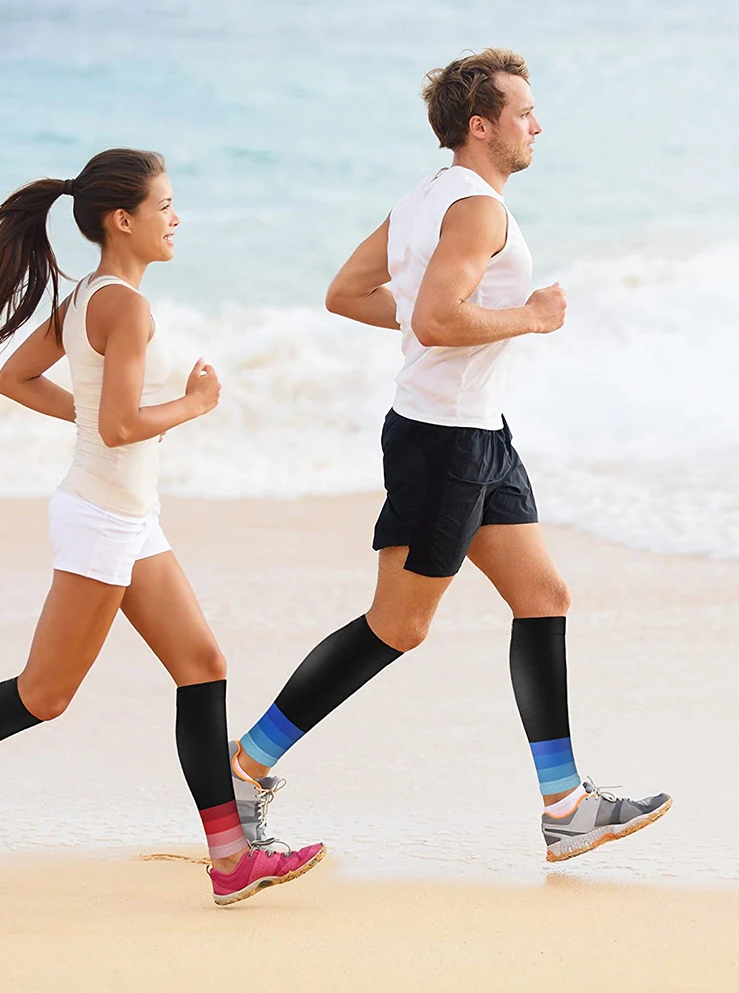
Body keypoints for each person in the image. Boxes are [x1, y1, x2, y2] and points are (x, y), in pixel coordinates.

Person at [0, 148, 325, 906]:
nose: (176, 219)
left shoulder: (91, 296)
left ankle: (231, 858)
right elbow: (122, 421)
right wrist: (192, 407)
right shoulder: (122, 305)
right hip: (103, 516)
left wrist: (101, 427)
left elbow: (21, 380)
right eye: (164, 206)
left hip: (127, 514)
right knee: (44, 694)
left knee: (202, 664)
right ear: (121, 220)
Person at [228, 51, 671, 863]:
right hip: (445, 441)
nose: (537, 124)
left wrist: (441, 321)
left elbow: (349, 293)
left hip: (477, 432)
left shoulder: (424, 198)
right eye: (524, 112)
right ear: (481, 124)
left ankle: (565, 805)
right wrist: (530, 317)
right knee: (395, 628)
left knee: (543, 594)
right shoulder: (475, 210)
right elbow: (435, 320)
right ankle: (244, 770)